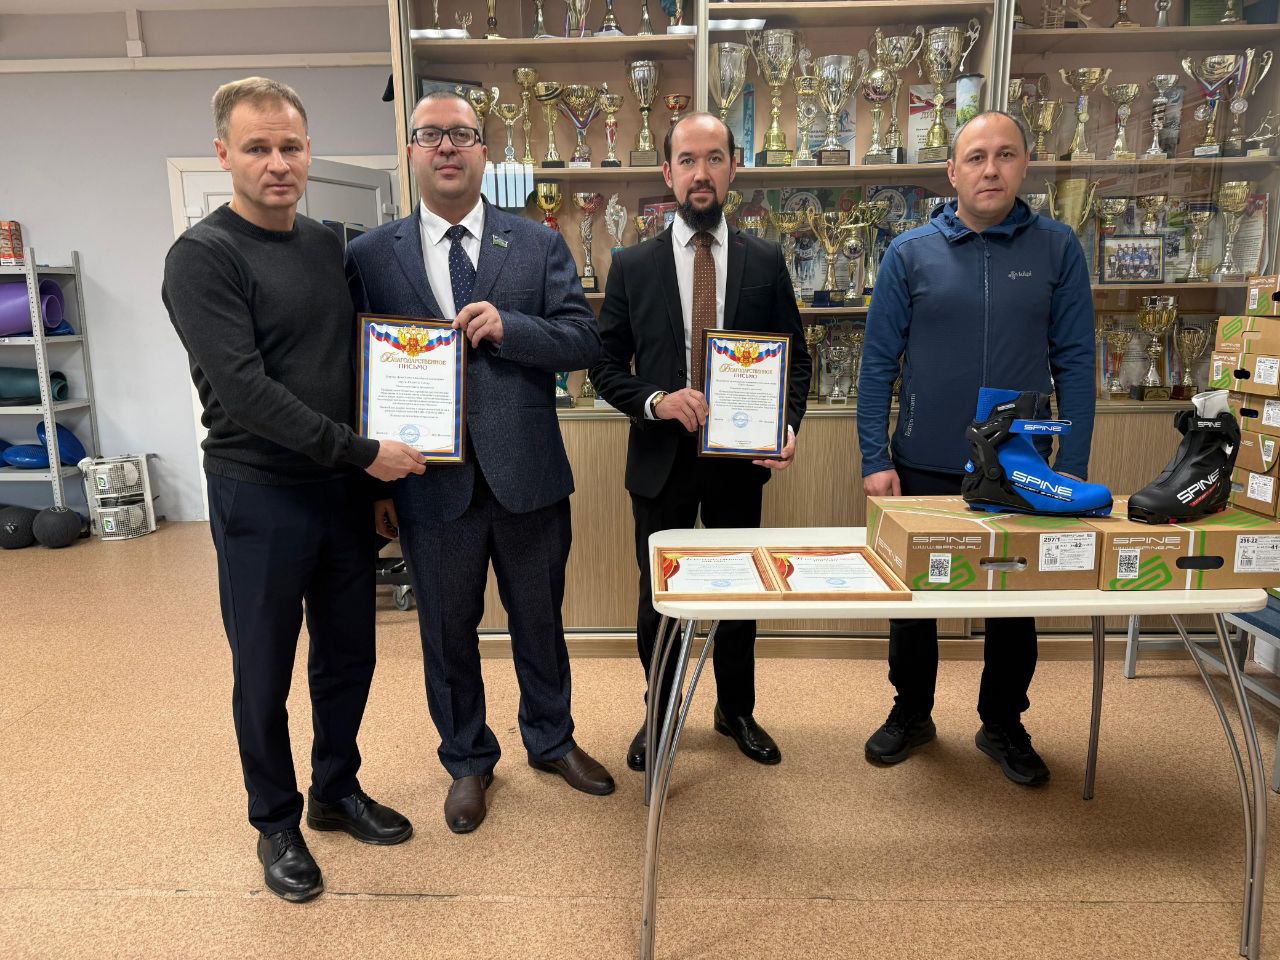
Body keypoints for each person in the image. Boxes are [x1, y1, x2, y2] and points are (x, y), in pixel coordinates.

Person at [163, 77, 423, 903]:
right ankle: (274, 821)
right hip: (260, 494)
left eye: (290, 147)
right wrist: (365, 453)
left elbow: (352, 363)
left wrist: (366, 475)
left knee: (348, 656)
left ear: (309, 151)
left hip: (340, 494)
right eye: (257, 148)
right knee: (264, 668)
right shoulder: (202, 257)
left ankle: (335, 791)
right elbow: (244, 392)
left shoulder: (324, 246)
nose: (277, 163)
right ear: (224, 155)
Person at [345, 91, 612, 835]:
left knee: (541, 622)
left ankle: (551, 740)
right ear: (410, 152)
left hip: (528, 476)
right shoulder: (369, 256)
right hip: (426, 485)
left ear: (485, 153)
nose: (446, 147)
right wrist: (371, 483)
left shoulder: (537, 244)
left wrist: (510, 326)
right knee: (446, 631)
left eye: (461, 134)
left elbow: (583, 341)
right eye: (430, 135)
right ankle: (466, 760)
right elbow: (353, 370)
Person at [856, 110, 1096, 786]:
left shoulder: (1057, 248)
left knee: (1013, 604)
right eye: (976, 157)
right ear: (952, 171)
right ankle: (912, 712)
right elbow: (878, 364)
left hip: (1023, 461)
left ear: (1025, 165)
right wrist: (875, 459)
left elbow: (1077, 362)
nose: (991, 169)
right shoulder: (910, 253)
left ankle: (1003, 722)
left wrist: (1073, 464)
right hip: (923, 458)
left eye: (1005, 155)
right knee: (914, 601)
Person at [591, 112, 811, 773]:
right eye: (687, 160)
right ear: (667, 172)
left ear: (733, 167)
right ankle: (659, 714)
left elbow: (796, 360)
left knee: (740, 594)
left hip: (739, 462)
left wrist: (786, 426)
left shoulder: (764, 260)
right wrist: (656, 401)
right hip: (660, 461)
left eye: (714, 158)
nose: (701, 173)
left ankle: (734, 709)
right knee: (658, 598)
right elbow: (605, 366)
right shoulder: (632, 265)